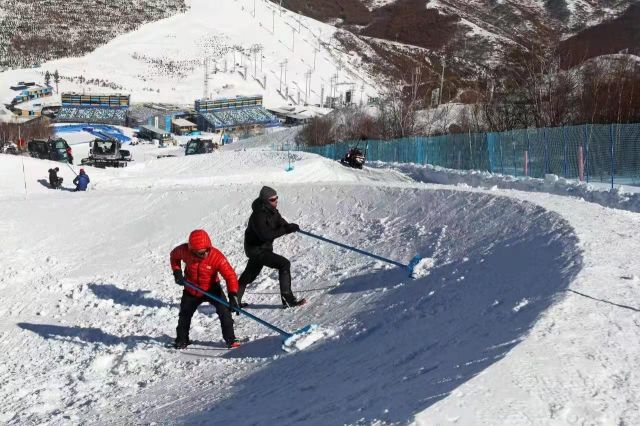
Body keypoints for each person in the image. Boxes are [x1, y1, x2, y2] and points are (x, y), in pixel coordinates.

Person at [170, 229, 241, 349]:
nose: (205, 254)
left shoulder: (216, 256)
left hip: (212, 288)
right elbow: (173, 256)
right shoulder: (184, 251)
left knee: (225, 312)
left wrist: (233, 294)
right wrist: (177, 272)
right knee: (184, 315)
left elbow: (230, 275)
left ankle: (230, 339)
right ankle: (182, 340)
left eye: (206, 251)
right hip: (191, 289)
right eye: (201, 253)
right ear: (192, 250)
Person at [237, 186, 306, 309]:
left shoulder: (272, 210)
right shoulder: (258, 215)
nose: (276, 200)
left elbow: (280, 222)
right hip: (256, 250)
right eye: (273, 199)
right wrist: (285, 230)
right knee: (284, 264)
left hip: (263, 248)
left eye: (276, 198)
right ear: (265, 200)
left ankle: (234, 299)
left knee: (250, 275)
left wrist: (289, 226)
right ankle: (288, 299)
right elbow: (265, 235)